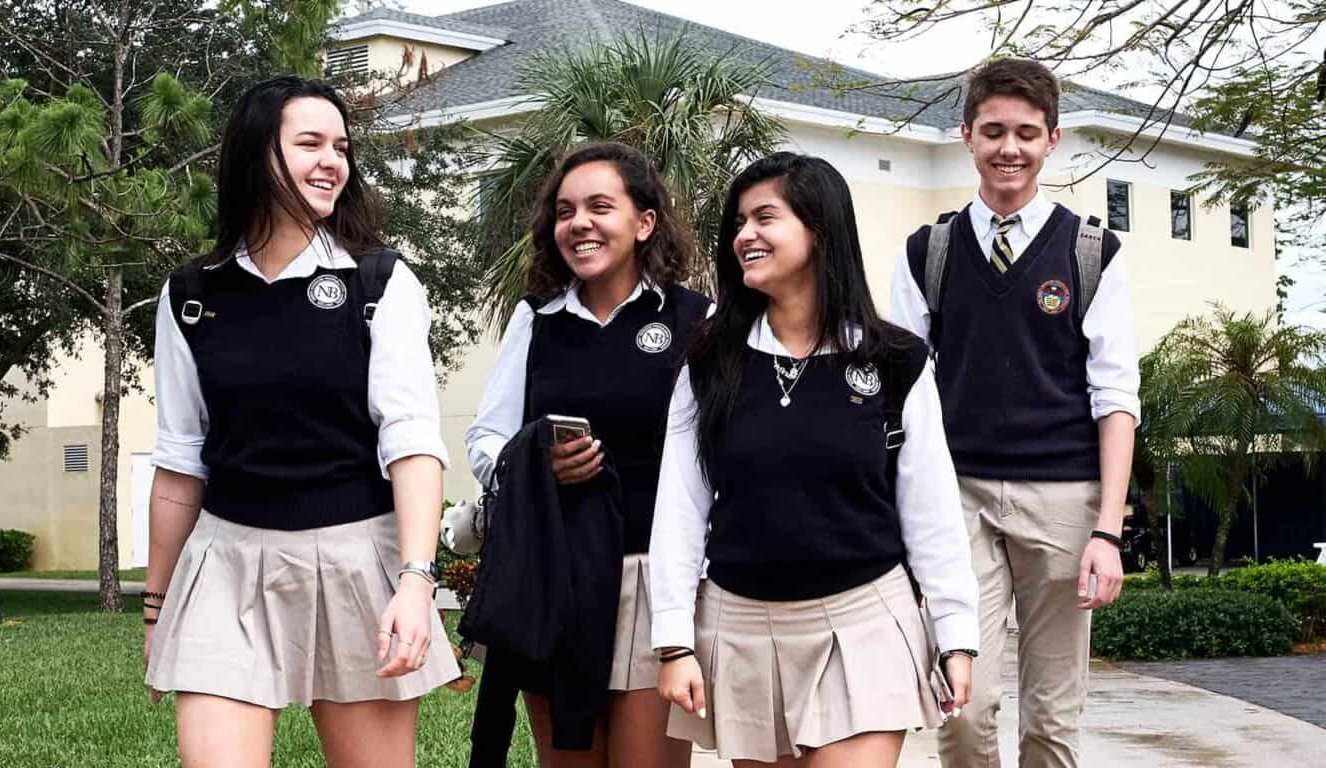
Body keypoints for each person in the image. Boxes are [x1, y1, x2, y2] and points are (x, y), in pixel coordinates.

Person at [141, 75, 456, 768]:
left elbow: (412, 443)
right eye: (309, 143)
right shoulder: (191, 295)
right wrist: (157, 607)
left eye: (341, 147)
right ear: (258, 155)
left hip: (358, 560)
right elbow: (180, 462)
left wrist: (416, 579)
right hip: (224, 564)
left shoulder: (379, 282)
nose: (332, 162)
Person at [650, 152, 979, 767]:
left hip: (865, 621)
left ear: (820, 229)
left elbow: (932, 511)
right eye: (740, 222)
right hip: (741, 629)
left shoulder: (896, 361)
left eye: (765, 217)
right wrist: (674, 642)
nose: (745, 235)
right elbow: (680, 508)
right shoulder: (708, 362)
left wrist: (956, 635)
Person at [888, 59, 1139, 768]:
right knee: (962, 710)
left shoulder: (1092, 252)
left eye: (1027, 133)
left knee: (1052, 723)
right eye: (993, 131)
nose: (1010, 148)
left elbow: (1116, 397)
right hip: (956, 499)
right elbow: (898, 392)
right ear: (966, 135)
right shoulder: (928, 252)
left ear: (1052, 139)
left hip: (1064, 503)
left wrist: (1107, 531)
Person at [465, 141, 711, 768]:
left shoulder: (696, 320)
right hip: (556, 576)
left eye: (600, 207)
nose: (579, 223)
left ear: (644, 222)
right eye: (565, 211)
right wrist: (532, 462)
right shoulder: (536, 320)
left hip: (654, 581)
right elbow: (486, 439)